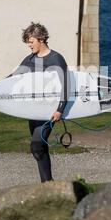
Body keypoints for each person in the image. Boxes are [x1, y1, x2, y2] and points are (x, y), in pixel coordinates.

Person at [9, 22, 69, 182]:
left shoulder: (56, 59)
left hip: (49, 111)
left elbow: (65, 85)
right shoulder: (29, 59)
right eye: (28, 42)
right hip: (33, 110)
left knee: (36, 145)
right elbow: (13, 78)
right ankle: (48, 184)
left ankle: (48, 184)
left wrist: (60, 109)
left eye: (31, 41)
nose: (29, 45)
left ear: (41, 39)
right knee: (39, 147)